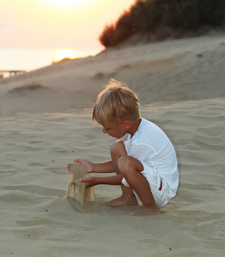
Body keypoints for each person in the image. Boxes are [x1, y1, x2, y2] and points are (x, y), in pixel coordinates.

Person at [67, 79, 179, 216]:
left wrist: (98, 180)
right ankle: (128, 198)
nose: (104, 131)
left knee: (126, 162)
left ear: (125, 124)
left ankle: (150, 208)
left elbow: (126, 171)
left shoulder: (141, 143)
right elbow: (123, 165)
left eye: (107, 128)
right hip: (151, 182)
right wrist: (94, 167)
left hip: (161, 192)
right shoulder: (136, 128)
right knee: (117, 147)